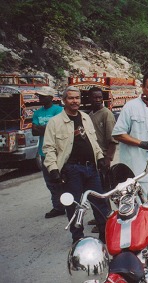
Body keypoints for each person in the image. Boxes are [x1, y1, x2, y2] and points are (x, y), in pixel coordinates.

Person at [43, 86, 109, 244]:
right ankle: (78, 238)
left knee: (100, 203)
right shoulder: (55, 122)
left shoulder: (86, 117)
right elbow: (49, 148)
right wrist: (53, 170)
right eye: (71, 98)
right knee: (74, 205)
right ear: (64, 100)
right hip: (71, 170)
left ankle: (105, 235)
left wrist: (100, 157)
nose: (75, 101)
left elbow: (93, 142)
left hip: (91, 169)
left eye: (77, 98)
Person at [112, 71, 148, 208]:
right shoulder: (131, 107)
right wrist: (142, 143)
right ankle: (140, 229)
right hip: (138, 165)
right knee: (141, 203)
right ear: (143, 87)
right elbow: (118, 134)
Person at [87, 87, 118, 232]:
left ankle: (106, 221)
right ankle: (99, 215)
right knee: (95, 191)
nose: (98, 99)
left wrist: (108, 159)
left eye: (100, 97)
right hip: (92, 158)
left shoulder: (107, 114)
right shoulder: (90, 115)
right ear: (89, 98)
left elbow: (112, 139)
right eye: (94, 97)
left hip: (102, 158)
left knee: (104, 191)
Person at [32, 90, 64, 219]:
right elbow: (34, 131)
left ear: (50, 97)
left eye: (43, 96)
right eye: (39, 96)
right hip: (44, 152)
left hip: (59, 151)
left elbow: (58, 129)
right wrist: (49, 127)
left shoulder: (59, 110)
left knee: (64, 179)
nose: (40, 98)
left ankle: (70, 204)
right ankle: (58, 207)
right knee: (50, 181)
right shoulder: (37, 112)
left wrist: (42, 128)